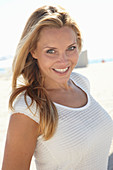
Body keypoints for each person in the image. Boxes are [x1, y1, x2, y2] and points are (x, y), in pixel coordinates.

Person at [2, 5, 113, 170]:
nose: (64, 61)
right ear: (33, 51)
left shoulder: (80, 82)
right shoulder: (28, 109)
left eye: (71, 48)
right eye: (51, 51)